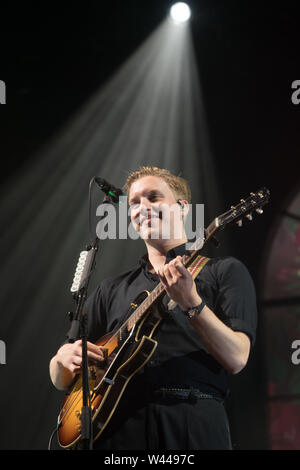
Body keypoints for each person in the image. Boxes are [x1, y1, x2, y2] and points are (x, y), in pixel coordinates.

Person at [49, 166, 257, 450]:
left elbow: (237, 358)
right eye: (134, 203)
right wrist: (62, 359)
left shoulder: (224, 272)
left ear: (183, 208)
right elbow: (60, 378)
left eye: (154, 197)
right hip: (117, 430)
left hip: (191, 425)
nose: (141, 207)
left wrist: (192, 304)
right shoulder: (110, 289)